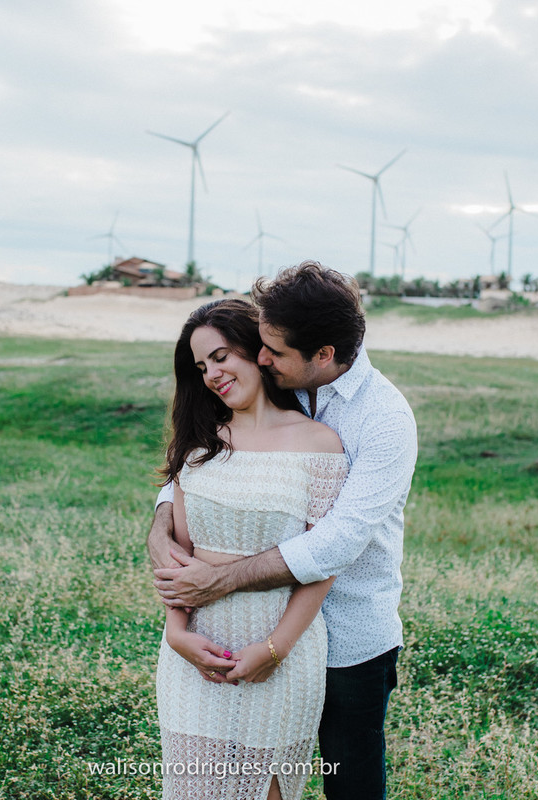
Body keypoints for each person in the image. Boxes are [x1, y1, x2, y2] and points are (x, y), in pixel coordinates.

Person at [150, 262, 418, 800]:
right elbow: (209, 468)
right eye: (261, 345)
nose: (263, 357)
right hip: (238, 629)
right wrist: (161, 525)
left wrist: (218, 582)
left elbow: (336, 542)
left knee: (348, 781)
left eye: (272, 350)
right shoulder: (274, 383)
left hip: (347, 635)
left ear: (322, 355)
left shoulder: (383, 418)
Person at [154, 298, 349, 800]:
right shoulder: (199, 443)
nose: (213, 375)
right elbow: (177, 554)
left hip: (282, 649)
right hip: (196, 651)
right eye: (201, 368)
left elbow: (321, 563)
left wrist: (275, 649)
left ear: (256, 350)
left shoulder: (320, 444)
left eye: (220, 357)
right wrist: (177, 635)